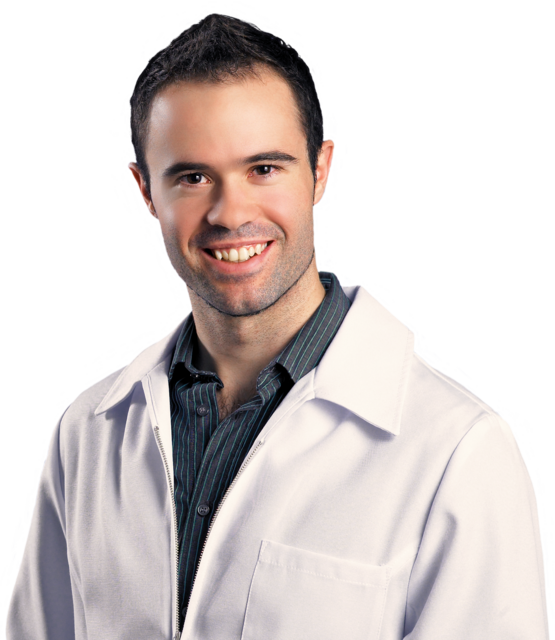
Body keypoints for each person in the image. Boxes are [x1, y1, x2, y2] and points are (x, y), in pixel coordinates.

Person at [6, 11, 549, 639]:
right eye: (192, 177)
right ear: (145, 190)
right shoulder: (88, 434)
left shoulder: (458, 451)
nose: (229, 212)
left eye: (264, 168)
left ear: (320, 170)